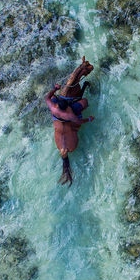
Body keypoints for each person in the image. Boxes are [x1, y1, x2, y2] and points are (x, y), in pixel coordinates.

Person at [46, 56, 94, 185]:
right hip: (70, 132)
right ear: (65, 107)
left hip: (58, 123)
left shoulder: (53, 106)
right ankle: (82, 91)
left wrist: (55, 89)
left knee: (58, 97)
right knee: (84, 102)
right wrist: (88, 119)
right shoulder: (69, 115)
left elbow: (47, 97)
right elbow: (78, 122)